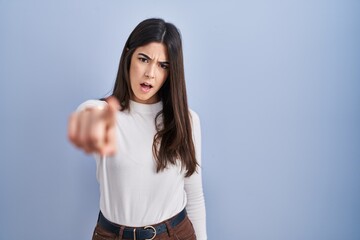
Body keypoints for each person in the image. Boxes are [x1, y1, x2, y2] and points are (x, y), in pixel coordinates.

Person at [68, 18, 207, 240]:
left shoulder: (186, 121)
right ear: (128, 55)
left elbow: (194, 195)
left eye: (163, 65)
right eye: (144, 59)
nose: (150, 73)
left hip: (174, 234)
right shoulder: (101, 115)